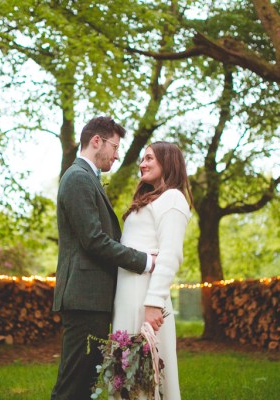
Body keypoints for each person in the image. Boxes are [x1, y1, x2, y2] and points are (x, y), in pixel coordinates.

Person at [51, 116, 156, 400]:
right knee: (71, 385)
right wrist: (143, 260)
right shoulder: (77, 178)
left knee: (84, 382)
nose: (118, 154)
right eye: (115, 146)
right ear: (97, 141)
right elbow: (94, 241)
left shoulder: (88, 179)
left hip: (92, 300)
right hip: (84, 298)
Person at [111, 141, 193, 400]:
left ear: (167, 162)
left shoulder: (173, 199)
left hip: (145, 298)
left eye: (149, 159)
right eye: (142, 160)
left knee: (147, 376)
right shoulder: (149, 199)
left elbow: (170, 255)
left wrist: (153, 304)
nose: (142, 164)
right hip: (126, 298)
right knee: (126, 375)